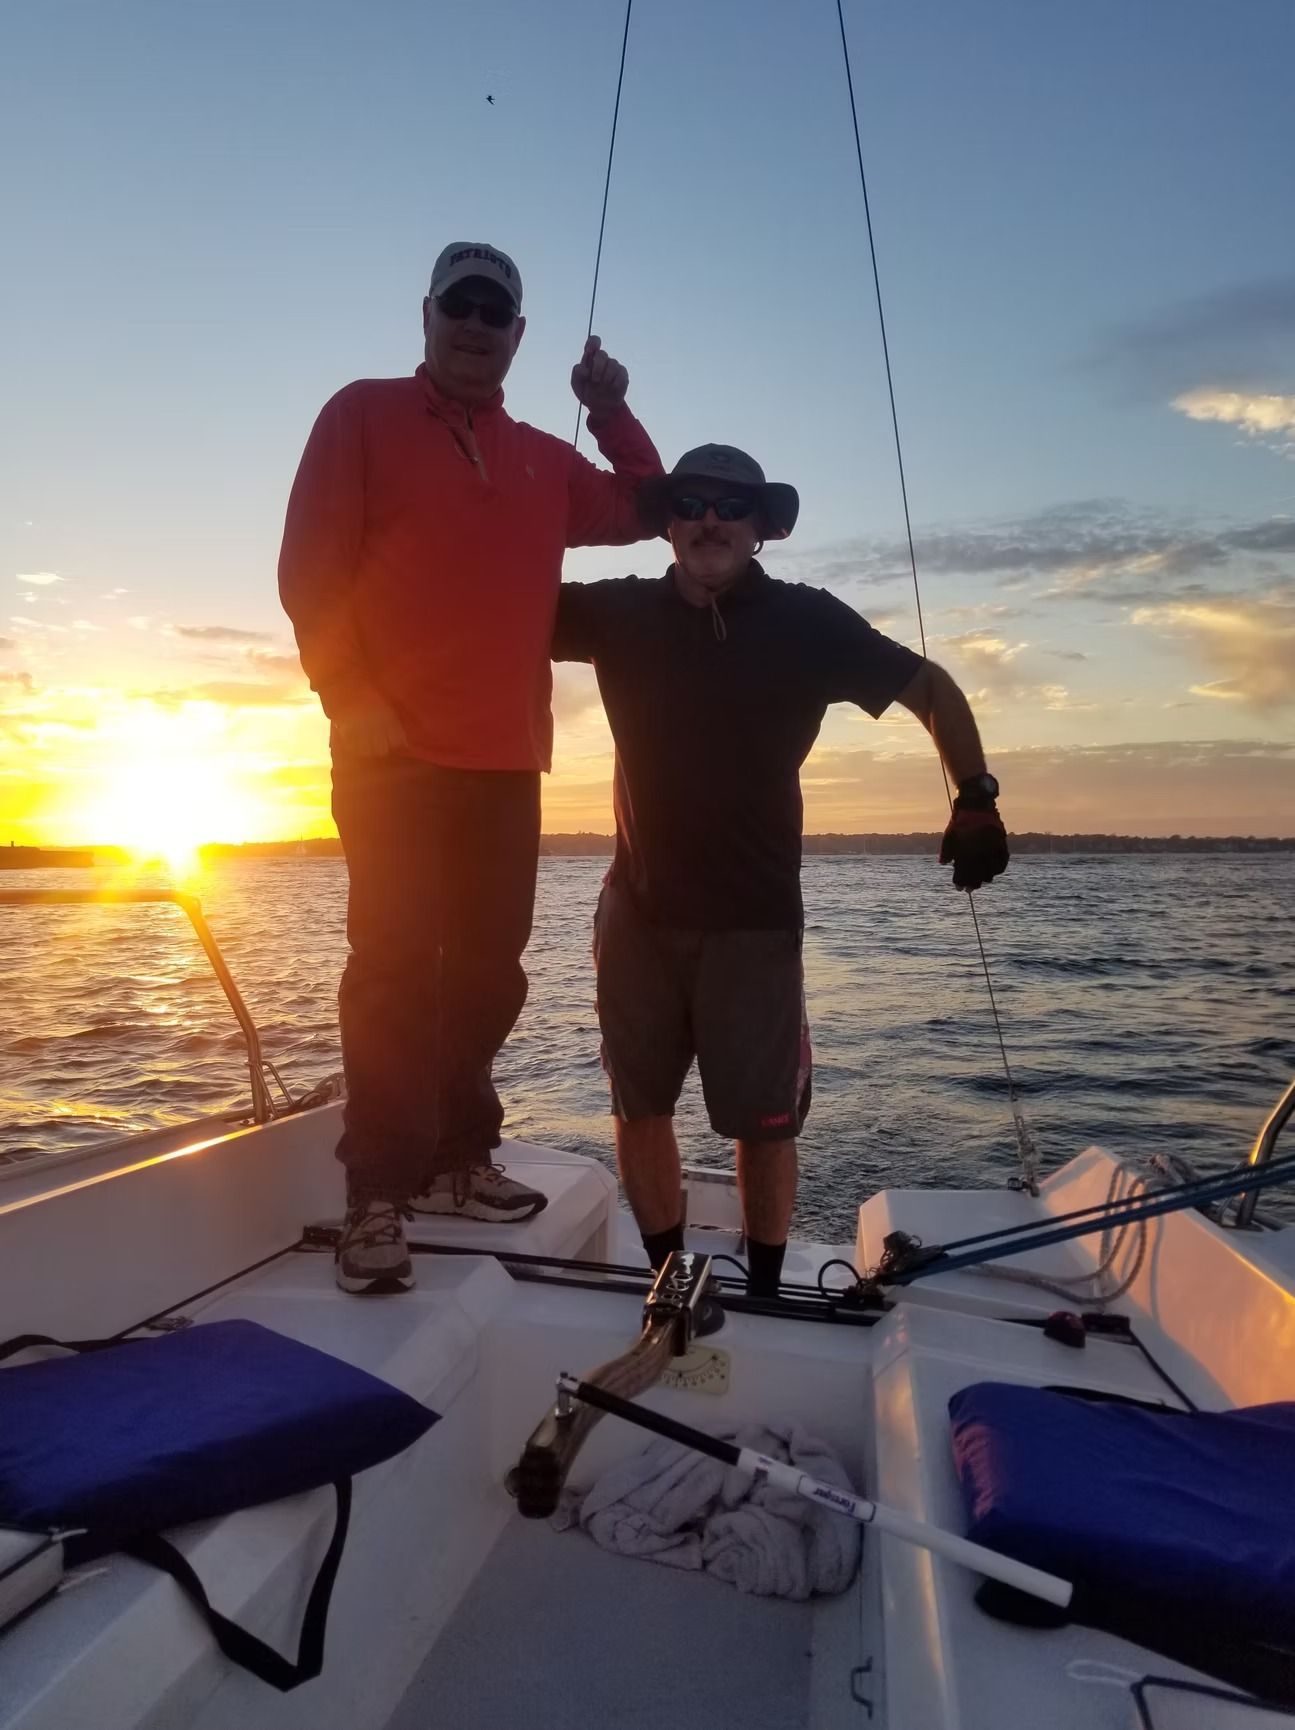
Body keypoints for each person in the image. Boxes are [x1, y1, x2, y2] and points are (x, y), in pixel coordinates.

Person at [279, 242, 663, 1295]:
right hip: (388, 755)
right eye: (462, 303)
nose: (477, 323)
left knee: (490, 970)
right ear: (428, 312)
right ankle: (376, 1193)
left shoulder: (544, 459)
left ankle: (457, 1155)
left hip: (505, 761)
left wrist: (610, 408)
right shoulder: (359, 414)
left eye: (497, 310)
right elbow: (309, 571)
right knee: (395, 965)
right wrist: (348, 700)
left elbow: (649, 508)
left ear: (519, 336)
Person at [552, 444, 1008, 1296]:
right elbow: (493, 591)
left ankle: (762, 1288)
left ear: (762, 527)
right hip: (635, 913)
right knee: (637, 1107)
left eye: (732, 505)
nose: (710, 518)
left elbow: (932, 688)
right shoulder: (616, 613)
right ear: (667, 522)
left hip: (756, 925)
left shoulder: (807, 621)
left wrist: (974, 798)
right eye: (690, 502)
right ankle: (665, 1281)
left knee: (763, 1126)